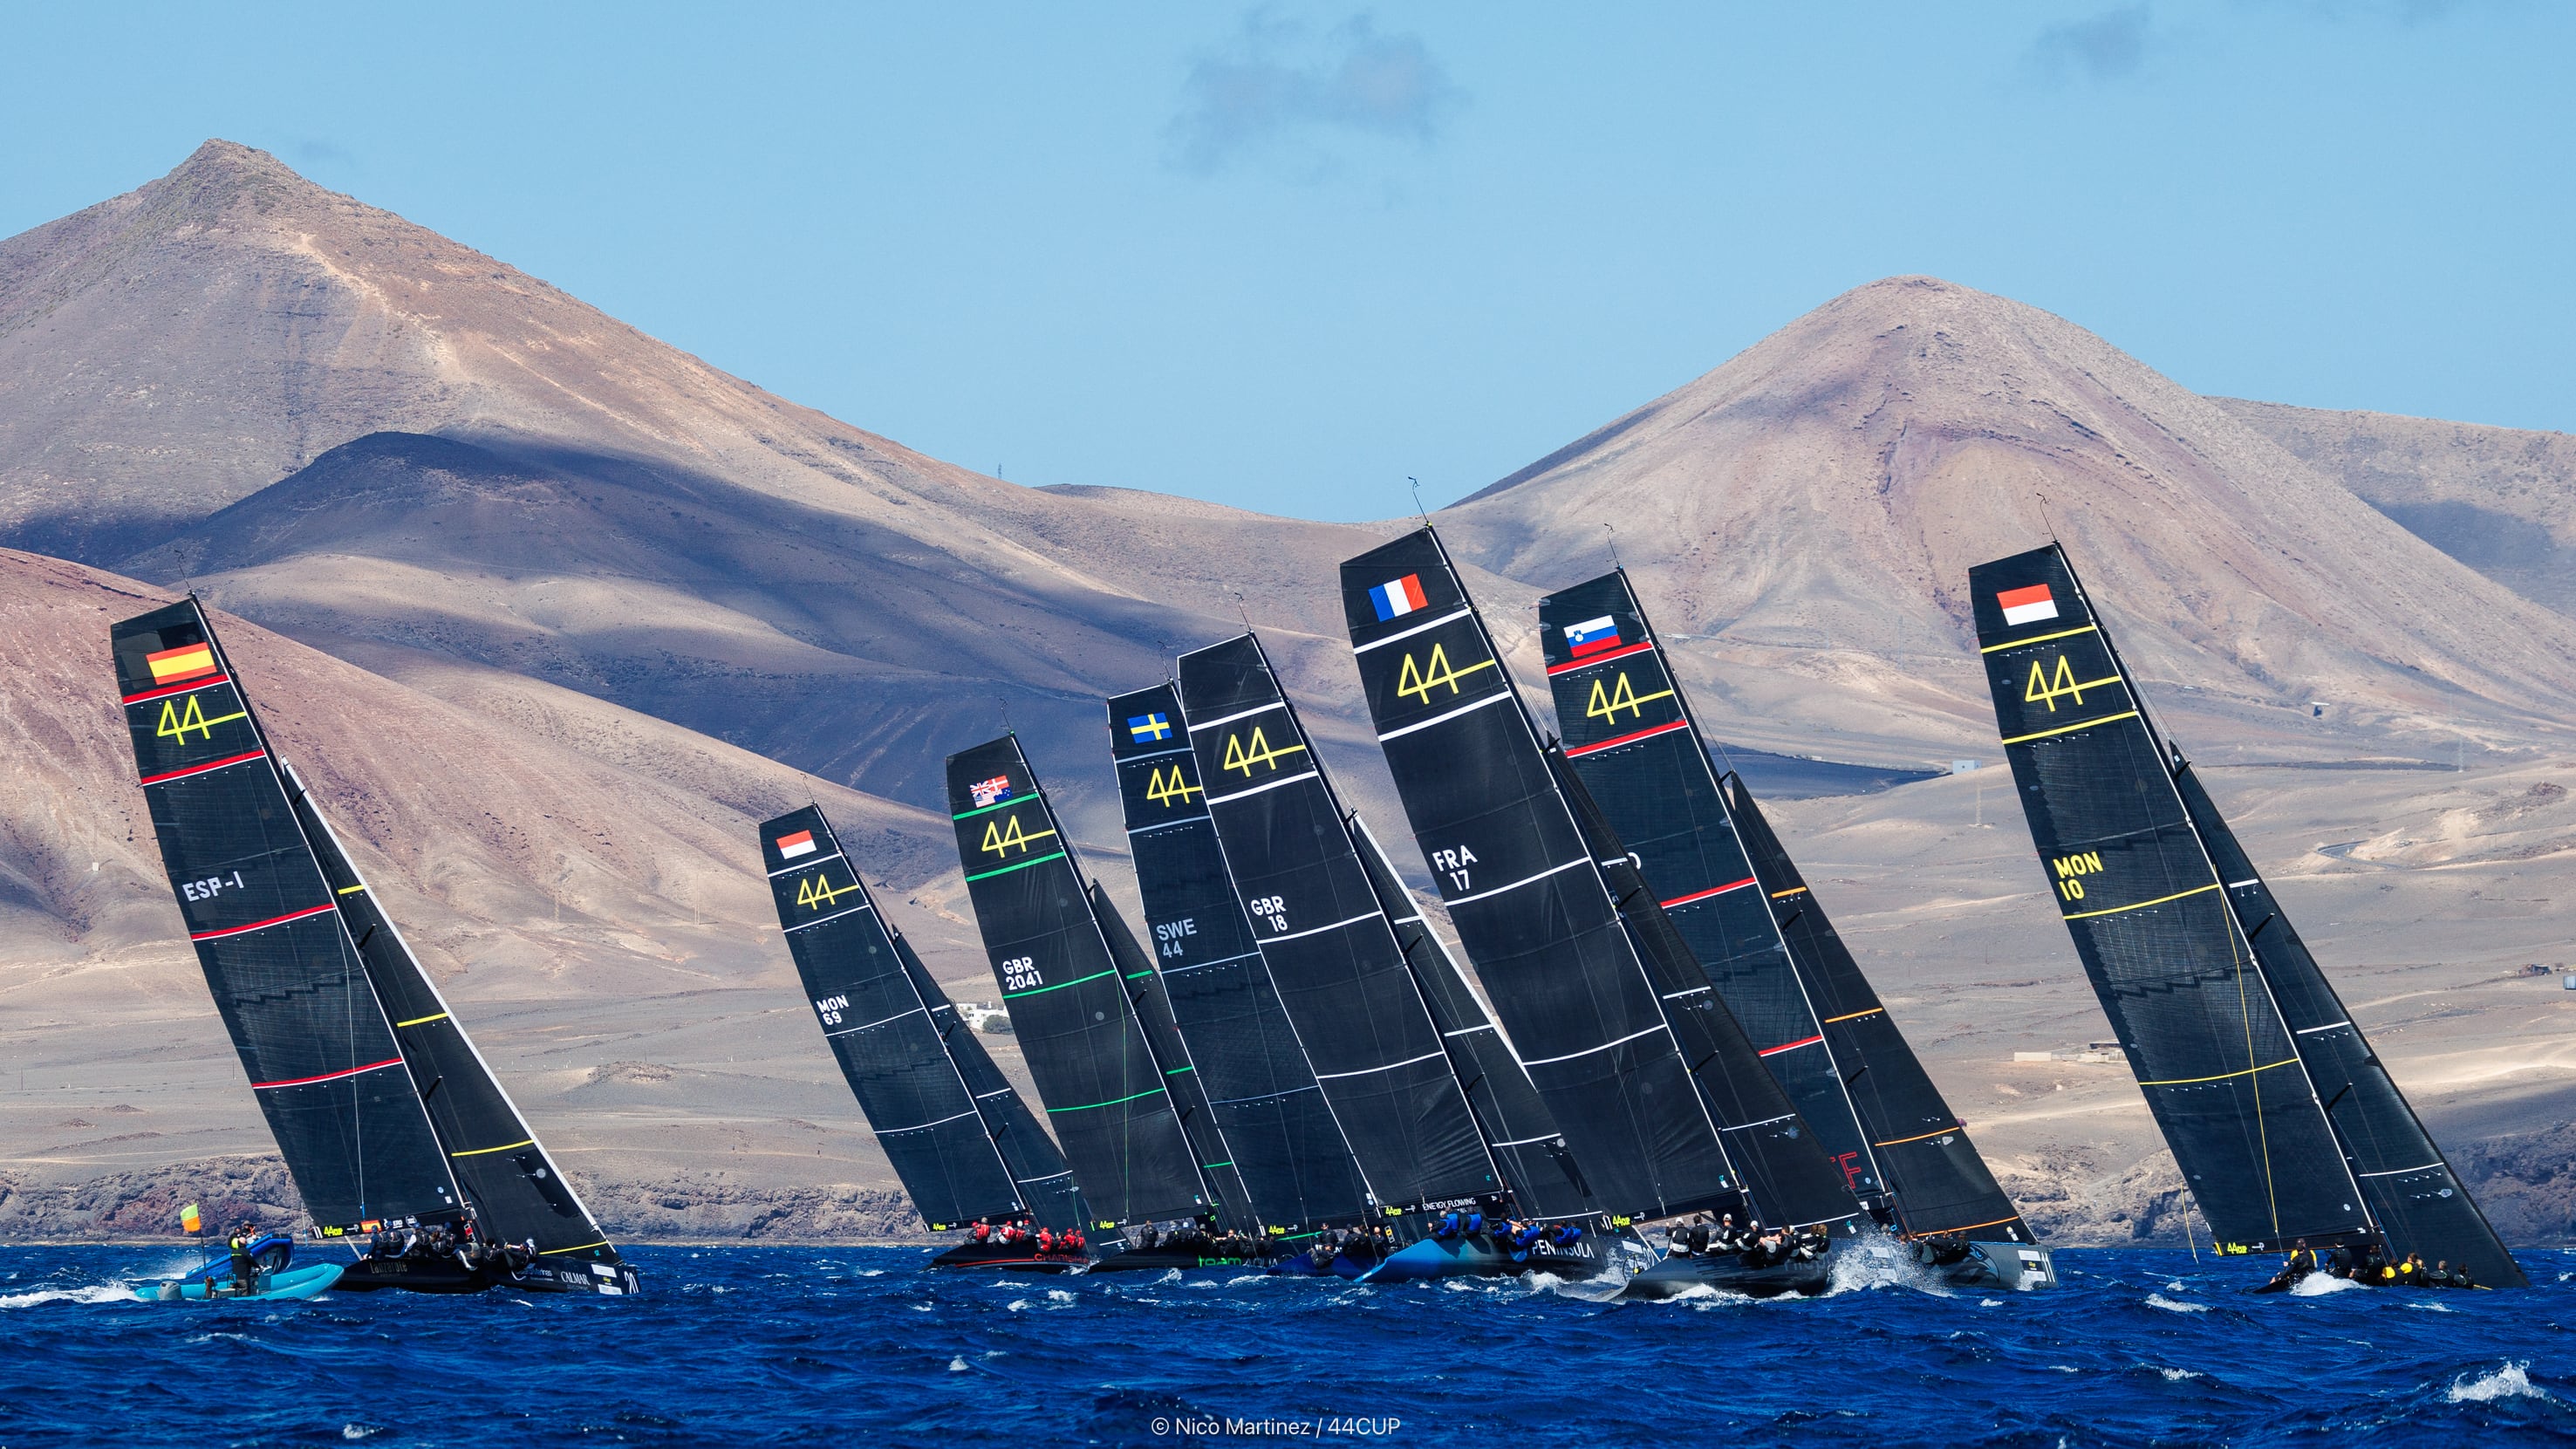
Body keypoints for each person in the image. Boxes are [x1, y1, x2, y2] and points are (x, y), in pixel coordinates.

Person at [227, 1221, 261, 1296]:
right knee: (245, 1294)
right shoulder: (246, 1252)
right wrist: (258, 1267)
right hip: (243, 1278)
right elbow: (251, 1260)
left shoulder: (233, 1252)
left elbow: (233, 1260)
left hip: (235, 1277)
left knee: (236, 1293)